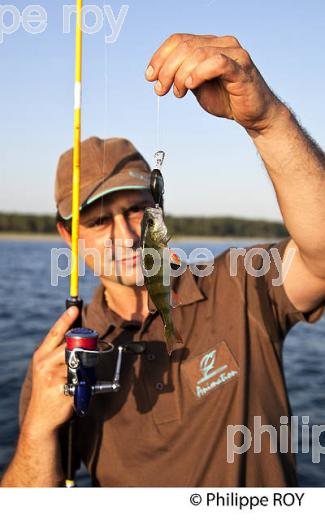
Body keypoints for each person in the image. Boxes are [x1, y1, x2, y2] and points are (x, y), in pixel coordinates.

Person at [1, 33, 325, 487]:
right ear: (68, 237)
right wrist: (37, 431)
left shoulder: (240, 284)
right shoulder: (63, 360)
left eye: (136, 210)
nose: (127, 235)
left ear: (159, 211)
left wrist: (267, 121)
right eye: (98, 221)